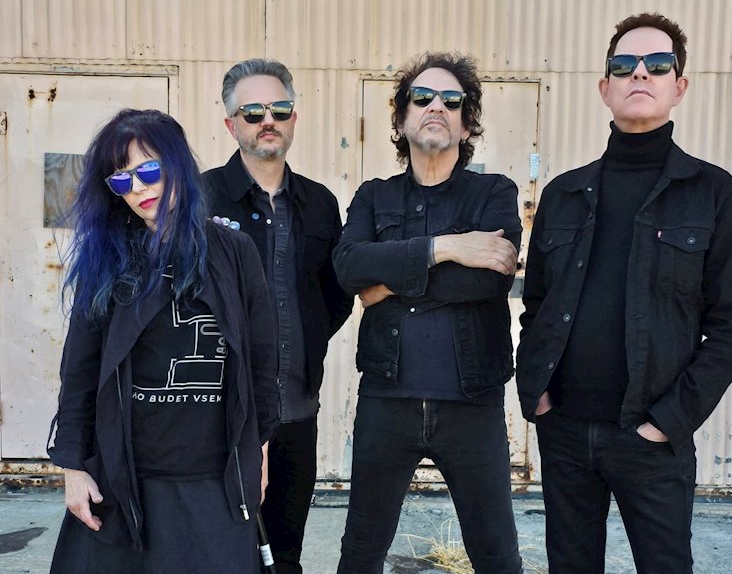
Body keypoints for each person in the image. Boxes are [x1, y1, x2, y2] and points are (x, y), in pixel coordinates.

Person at [516, 12, 732, 573]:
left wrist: (668, 420)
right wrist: (539, 395)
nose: (640, 74)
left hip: (652, 438)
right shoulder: (564, 193)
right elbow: (537, 308)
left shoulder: (712, 192)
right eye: (624, 65)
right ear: (605, 87)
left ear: (680, 86)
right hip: (565, 431)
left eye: (658, 64)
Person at [47, 109, 279, 573]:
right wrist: (73, 467)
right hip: (124, 480)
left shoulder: (234, 251)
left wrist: (259, 450)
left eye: (149, 171)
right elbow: (80, 371)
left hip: (212, 480)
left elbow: (262, 361)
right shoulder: (107, 261)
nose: (138, 188)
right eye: (121, 180)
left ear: (178, 165)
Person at [333, 52, 524, 573]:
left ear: (467, 123)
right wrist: (446, 247)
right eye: (421, 98)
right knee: (360, 553)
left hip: (472, 404)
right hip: (386, 401)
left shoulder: (494, 192)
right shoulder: (374, 197)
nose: (436, 106)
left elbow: (488, 279)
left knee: (497, 554)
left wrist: (385, 283)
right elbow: (348, 267)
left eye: (451, 100)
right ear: (401, 120)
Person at [202, 58, 353, 573]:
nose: (267, 121)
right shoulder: (200, 198)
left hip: (295, 411)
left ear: (294, 118)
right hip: (217, 414)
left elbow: (334, 295)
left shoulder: (320, 203)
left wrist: (304, 341)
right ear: (231, 125)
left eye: (279, 109)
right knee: (220, 552)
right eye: (252, 112)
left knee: (285, 553)